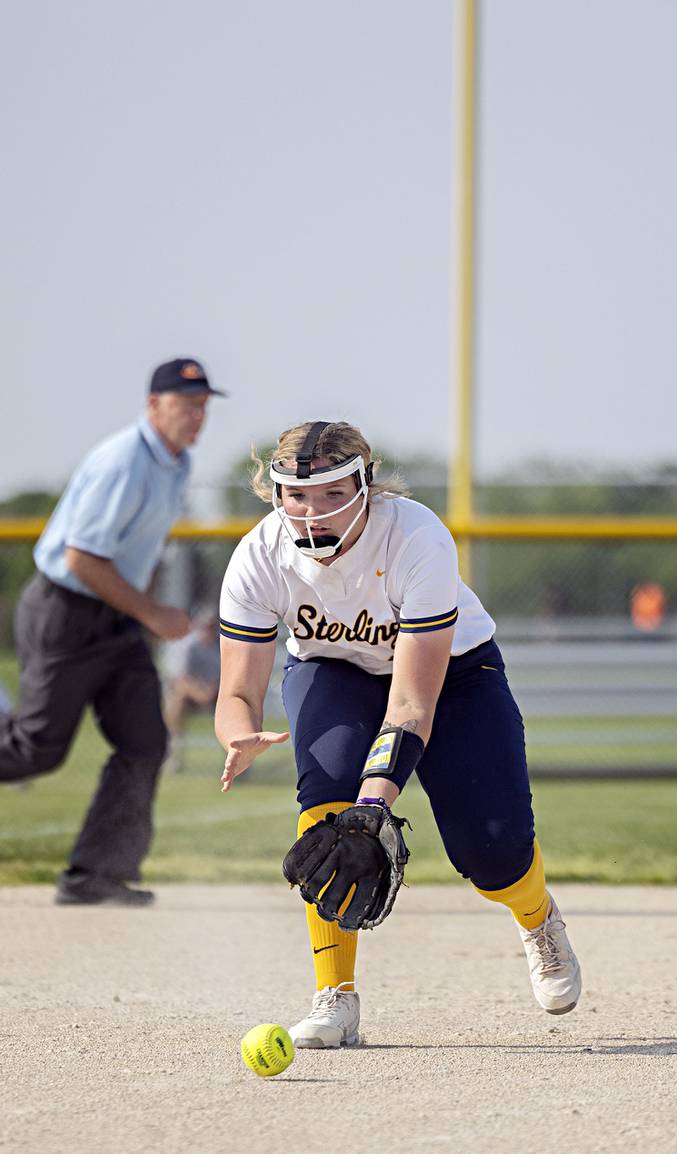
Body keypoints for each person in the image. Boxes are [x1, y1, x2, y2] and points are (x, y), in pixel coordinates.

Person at [215, 420, 582, 1050]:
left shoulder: (415, 536)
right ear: (274, 495)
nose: (313, 513)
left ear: (366, 484)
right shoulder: (258, 555)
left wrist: (375, 804)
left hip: (455, 677)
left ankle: (537, 917)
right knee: (323, 808)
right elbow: (236, 694)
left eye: (333, 493)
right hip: (335, 671)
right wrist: (238, 735)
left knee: (492, 855)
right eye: (296, 496)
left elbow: (412, 700)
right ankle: (336, 997)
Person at [0, 357, 224, 905]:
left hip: (116, 616)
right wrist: (153, 614)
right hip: (66, 610)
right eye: (184, 404)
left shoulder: (175, 464)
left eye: (202, 406)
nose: (196, 416)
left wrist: (142, 612)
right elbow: (81, 558)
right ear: (154, 405)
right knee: (35, 749)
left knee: (145, 741)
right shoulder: (123, 461)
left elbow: (139, 550)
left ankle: (95, 873)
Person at [161, 609, 222, 772]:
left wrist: (212, 690)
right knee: (176, 697)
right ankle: (173, 755)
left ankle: (238, 757)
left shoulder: (220, 645)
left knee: (238, 701)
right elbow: (180, 679)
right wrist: (199, 692)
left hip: (215, 692)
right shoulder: (187, 645)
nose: (208, 630)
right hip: (190, 693)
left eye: (211, 627)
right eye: (204, 627)